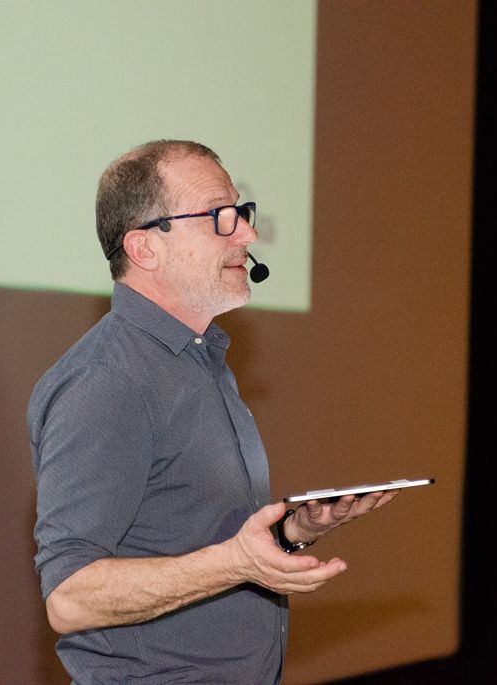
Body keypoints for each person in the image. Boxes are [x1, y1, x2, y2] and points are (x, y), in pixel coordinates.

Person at [28, 140, 396, 683]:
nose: (247, 234)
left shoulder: (199, 360)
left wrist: (289, 532)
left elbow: (189, 538)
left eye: (241, 212)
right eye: (219, 216)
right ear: (144, 247)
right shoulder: (106, 381)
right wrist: (237, 563)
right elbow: (69, 597)